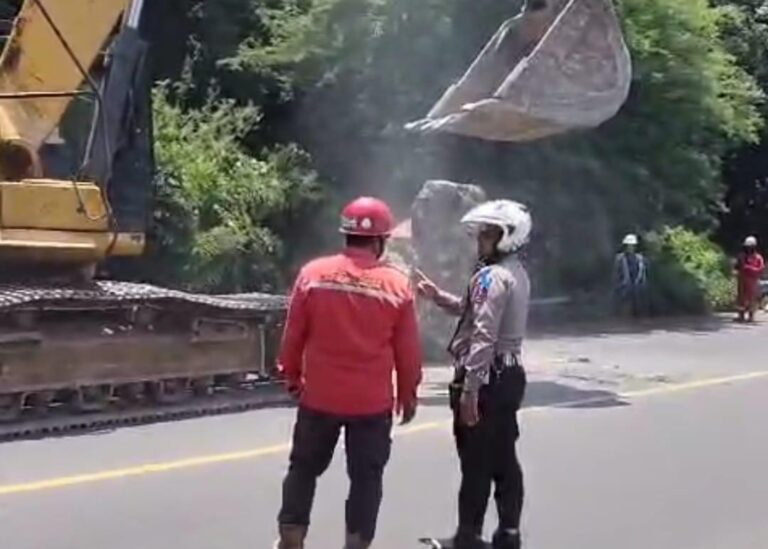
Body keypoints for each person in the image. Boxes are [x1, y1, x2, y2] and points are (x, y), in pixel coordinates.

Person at [274, 197, 423, 549]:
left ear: (346, 235)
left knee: (303, 469)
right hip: (371, 405)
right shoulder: (397, 286)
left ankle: (290, 540)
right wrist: (408, 394)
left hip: (319, 397)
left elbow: (293, 335)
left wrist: (292, 377)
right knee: (366, 479)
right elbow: (409, 353)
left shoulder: (313, 274)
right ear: (381, 240)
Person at [415, 200, 532, 549]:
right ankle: (508, 533)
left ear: (506, 237)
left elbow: (483, 334)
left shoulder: (491, 277)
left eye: (487, 234)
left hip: (487, 378)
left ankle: (468, 537)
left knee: (476, 461)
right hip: (509, 375)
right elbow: (473, 311)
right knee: (504, 457)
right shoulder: (516, 273)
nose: (479, 241)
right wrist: (438, 297)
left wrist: (470, 389)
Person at [613, 233, 647, 317]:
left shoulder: (640, 258)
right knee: (624, 312)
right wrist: (618, 286)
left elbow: (643, 274)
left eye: (632, 245)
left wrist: (642, 286)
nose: (630, 247)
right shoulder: (620, 258)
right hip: (624, 289)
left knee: (639, 313)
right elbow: (616, 274)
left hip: (637, 290)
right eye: (628, 245)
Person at [735, 235, 765, 323]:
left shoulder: (758, 257)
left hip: (753, 280)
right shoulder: (741, 256)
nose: (748, 249)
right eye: (747, 247)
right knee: (741, 298)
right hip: (742, 279)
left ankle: (751, 316)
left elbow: (761, 268)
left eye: (750, 247)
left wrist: (750, 269)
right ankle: (741, 315)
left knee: (752, 298)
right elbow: (738, 266)